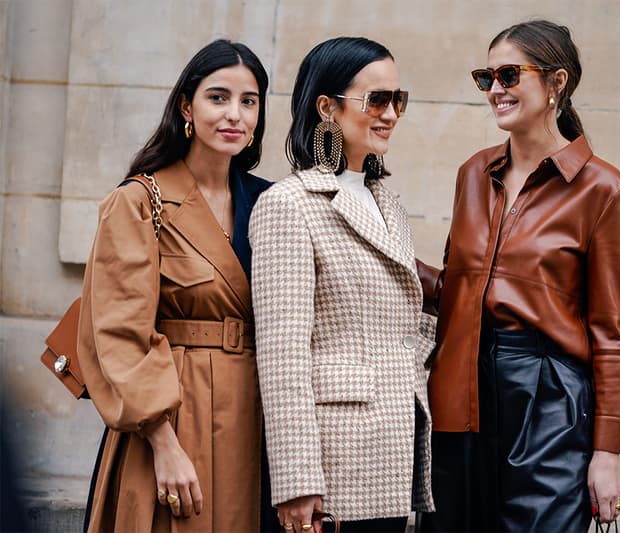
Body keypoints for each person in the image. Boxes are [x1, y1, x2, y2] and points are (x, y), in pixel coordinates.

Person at [417, 20, 620, 532]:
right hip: (461, 387)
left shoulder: (601, 188)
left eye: (509, 75)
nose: (495, 90)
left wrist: (606, 453)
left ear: (557, 83)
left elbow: (611, 331)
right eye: (486, 77)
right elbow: (457, 289)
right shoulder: (474, 173)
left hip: (549, 400)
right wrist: (379, 255)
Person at [77, 39, 272, 532]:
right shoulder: (140, 201)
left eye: (249, 101)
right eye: (218, 97)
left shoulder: (273, 204)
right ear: (187, 105)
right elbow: (119, 336)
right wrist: (163, 444)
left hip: (258, 415)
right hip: (172, 416)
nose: (235, 115)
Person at [249, 37, 435, 533]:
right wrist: (295, 481)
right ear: (327, 107)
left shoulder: (389, 203)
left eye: (398, 100)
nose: (391, 113)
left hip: (393, 446)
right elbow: (281, 356)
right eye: (376, 100)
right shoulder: (288, 204)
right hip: (332, 463)